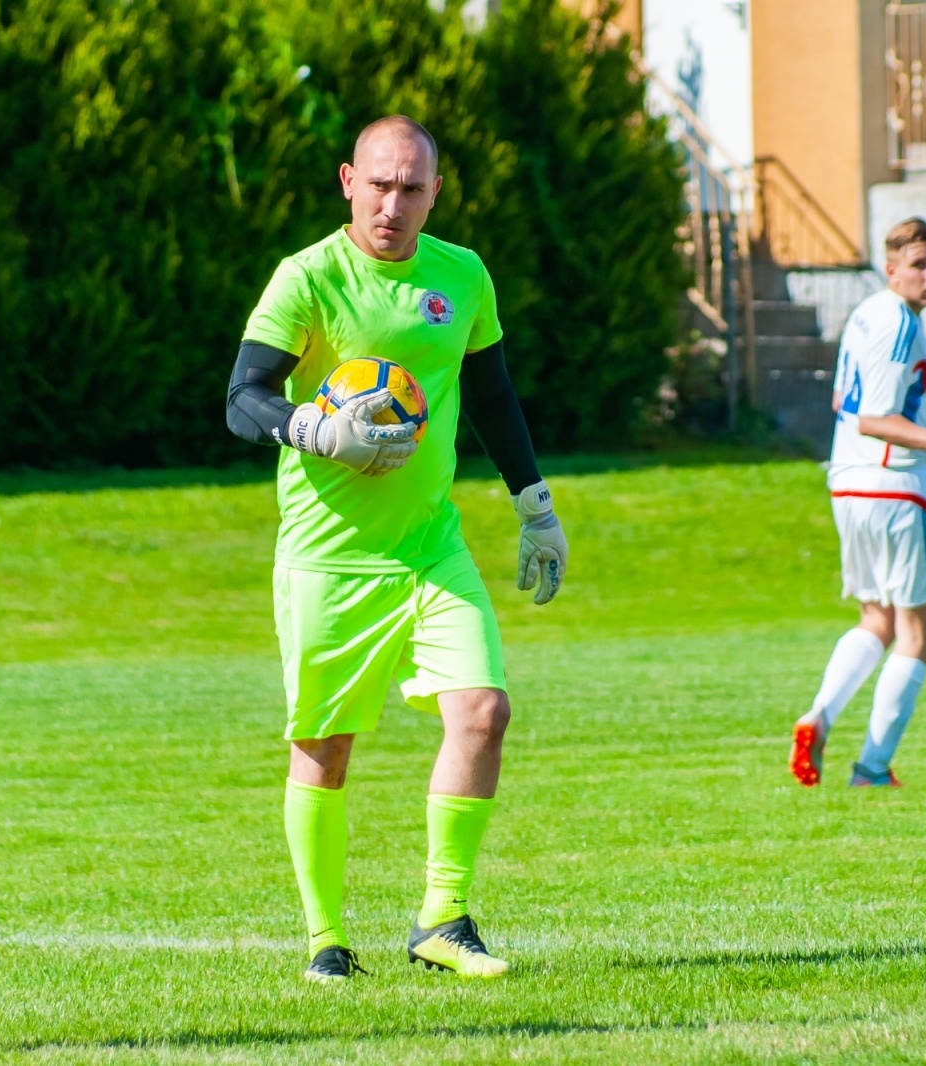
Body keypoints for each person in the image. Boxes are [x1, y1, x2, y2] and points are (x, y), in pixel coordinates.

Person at [225, 115, 566, 982]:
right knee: (324, 751)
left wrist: (534, 504)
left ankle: (443, 920)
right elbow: (242, 396)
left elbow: (491, 392)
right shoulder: (306, 277)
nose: (393, 203)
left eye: (412, 188)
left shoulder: (461, 275)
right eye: (379, 183)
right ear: (348, 180)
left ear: (435, 193)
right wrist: (314, 428)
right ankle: (324, 941)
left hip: (429, 549)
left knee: (484, 712)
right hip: (328, 560)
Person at [788, 217, 926, 789]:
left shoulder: (865, 314)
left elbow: (845, 398)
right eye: (919, 265)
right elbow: (876, 417)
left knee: (875, 619)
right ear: (892, 269)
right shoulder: (900, 323)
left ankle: (818, 717)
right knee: (915, 632)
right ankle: (872, 769)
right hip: (897, 487)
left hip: (847, 484)